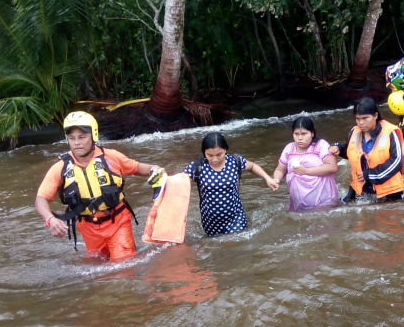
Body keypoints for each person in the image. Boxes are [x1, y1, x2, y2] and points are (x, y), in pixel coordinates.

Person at [35, 111, 162, 261]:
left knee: (123, 264)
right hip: (88, 228)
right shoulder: (61, 167)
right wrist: (50, 219)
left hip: (118, 221)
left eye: (82, 137)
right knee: (98, 269)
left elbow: (138, 168)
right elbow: (41, 199)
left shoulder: (112, 157)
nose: (76, 143)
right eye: (72, 138)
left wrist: (155, 169)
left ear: (93, 136)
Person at [184, 132, 278, 237]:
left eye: (219, 154)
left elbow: (252, 166)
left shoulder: (234, 161)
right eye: (209, 155)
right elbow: (180, 182)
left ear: (225, 150)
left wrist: (267, 178)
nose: (214, 159)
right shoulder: (197, 167)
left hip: (236, 217)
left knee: (238, 246)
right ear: (204, 152)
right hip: (210, 221)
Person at [329, 97, 404, 203]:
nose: (360, 123)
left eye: (365, 118)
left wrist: (369, 175)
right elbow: (353, 153)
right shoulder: (354, 131)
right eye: (357, 119)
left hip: (389, 194)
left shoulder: (391, 132)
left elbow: (397, 162)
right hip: (361, 191)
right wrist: (339, 148)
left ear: (375, 115)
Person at [272, 117, 339, 211]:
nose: (299, 138)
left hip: (324, 201)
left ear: (312, 133)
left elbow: (333, 167)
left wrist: (306, 171)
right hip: (298, 203)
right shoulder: (289, 149)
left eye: (304, 134)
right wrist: (276, 180)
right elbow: (280, 169)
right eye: (296, 134)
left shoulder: (321, 145)